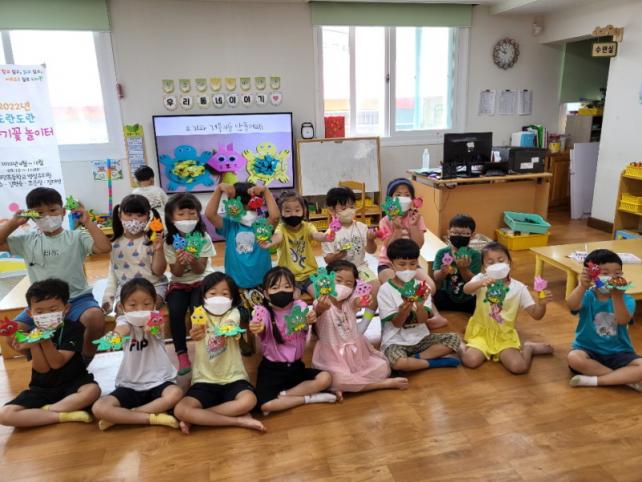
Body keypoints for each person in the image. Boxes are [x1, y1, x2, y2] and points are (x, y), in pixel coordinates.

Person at [0, 187, 111, 361]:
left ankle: (84, 361)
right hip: (41, 305)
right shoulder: (27, 241)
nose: (47, 216)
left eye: (53, 210)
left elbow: (104, 247)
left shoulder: (76, 237)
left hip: (77, 299)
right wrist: (14, 223)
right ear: (31, 216)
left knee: (95, 318)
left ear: (63, 211)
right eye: (39, 213)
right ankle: (43, 362)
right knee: (11, 332)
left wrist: (88, 222)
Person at [0, 279, 101, 428]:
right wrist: (34, 343)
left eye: (53, 310)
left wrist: (43, 340)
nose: (46, 315)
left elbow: (57, 363)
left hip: (74, 383)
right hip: (42, 389)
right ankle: (63, 415)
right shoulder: (30, 334)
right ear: (30, 313)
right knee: (5, 415)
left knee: (92, 391)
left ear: (66, 309)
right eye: (39, 312)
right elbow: (42, 369)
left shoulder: (74, 328)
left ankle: (44, 413)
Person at [174, 272, 264, 433]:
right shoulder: (199, 314)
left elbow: (230, 323)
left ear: (232, 298)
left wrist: (228, 329)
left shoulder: (233, 313)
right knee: (180, 409)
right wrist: (195, 332)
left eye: (224, 294)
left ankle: (198, 417)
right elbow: (196, 328)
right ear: (204, 296)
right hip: (204, 379)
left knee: (249, 401)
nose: (218, 298)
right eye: (212, 293)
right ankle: (238, 420)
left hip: (234, 377)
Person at [92, 278, 183, 430]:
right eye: (132, 305)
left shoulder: (157, 318)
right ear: (122, 307)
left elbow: (154, 328)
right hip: (130, 384)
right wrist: (114, 337)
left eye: (146, 304)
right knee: (99, 408)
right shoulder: (123, 321)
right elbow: (122, 330)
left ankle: (126, 416)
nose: (140, 309)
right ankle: (152, 417)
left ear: (154, 305)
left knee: (176, 394)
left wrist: (151, 326)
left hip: (159, 381)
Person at [249, 267, 337, 415]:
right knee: (264, 406)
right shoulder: (263, 311)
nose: (281, 291)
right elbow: (259, 320)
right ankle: (309, 398)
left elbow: (308, 313)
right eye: (275, 287)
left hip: (296, 367)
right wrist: (257, 325)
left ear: (294, 290)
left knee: (326, 378)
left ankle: (284, 397)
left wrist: (312, 316)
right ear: (266, 293)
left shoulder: (299, 306)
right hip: (272, 369)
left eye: (286, 286)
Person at [313, 260, 408, 395]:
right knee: (337, 379)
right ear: (327, 280)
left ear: (353, 287)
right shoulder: (322, 303)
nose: (343, 286)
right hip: (333, 357)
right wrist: (320, 308)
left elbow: (357, 301)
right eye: (338, 280)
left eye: (349, 283)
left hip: (358, 354)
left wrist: (363, 300)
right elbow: (317, 310)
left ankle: (350, 386)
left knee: (382, 367)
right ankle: (381, 384)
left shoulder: (349, 301)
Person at [460, 242, 553, 373]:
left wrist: (542, 304)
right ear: (484, 267)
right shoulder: (481, 278)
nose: (496, 265)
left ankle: (529, 348)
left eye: (501, 260)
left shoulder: (519, 288)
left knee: (519, 367)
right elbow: (466, 289)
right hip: (482, 334)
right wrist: (481, 283)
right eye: (490, 262)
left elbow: (536, 314)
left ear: (509, 262)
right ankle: (458, 344)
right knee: (470, 360)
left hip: (504, 336)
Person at [377, 239, 461, 372]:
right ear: (392, 265)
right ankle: (432, 363)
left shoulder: (422, 287)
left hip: (421, 338)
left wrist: (420, 305)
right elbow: (397, 324)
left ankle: (416, 359)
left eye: (412, 264)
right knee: (398, 363)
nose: (407, 269)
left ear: (417, 263)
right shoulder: (385, 290)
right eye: (402, 264)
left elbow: (422, 321)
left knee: (454, 339)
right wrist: (404, 311)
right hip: (395, 341)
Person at [566, 249, 642, 390]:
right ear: (592, 275)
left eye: (617, 273)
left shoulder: (627, 300)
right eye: (605, 274)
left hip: (620, 352)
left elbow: (622, 320)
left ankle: (594, 381)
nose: (612, 277)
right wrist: (582, 286)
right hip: (588, 351)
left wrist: (617, 296)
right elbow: (571, 304)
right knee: (574, 358)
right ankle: (624, 379)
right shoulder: (588, 296)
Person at [164, 193, 216, 375]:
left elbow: (200, 270)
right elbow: (176, 273)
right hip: (179, 283)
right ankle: (182, 355)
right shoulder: (169, 242)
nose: (187, 218)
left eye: (192, 213)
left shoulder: (203, 237)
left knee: (198, 310)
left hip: (202, 280)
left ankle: (204, 351)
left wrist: (192, 259)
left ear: (198, 216)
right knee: (176, 311)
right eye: (181, 214)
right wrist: (180, 261)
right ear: (171, 218)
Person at [205, 181, 279, 307]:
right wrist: (219, 190)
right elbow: (210, 214)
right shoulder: (230, 225)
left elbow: (275, 217)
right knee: (238, 316)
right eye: (241, 206)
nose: (246, 210)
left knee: (264, 315)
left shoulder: (262, 225)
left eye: (251, 206)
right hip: (236, 286)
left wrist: (265, 191)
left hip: (262, 284)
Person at [322, 186, 379, 328]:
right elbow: (327, 259)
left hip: (360, 267)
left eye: (352, 207)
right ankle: (344, 322)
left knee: (376, 287)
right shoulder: (330, 233)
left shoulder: (362, 227)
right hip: (339, 272)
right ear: (332, 210)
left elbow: (371, 250)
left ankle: (364, 324)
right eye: (343, 208)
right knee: (341, 292)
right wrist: (337, 256)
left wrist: (371, 240)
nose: (349, 211)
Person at [102, 194, 168, 314]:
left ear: (148, 216)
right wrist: (108, 298)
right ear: (119, 215)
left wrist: (159, 250)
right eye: (129, 215)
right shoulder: (114, 244)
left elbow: (159, 272)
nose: (134, 219)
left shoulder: (153, 240)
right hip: (126, 288)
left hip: (154, 286)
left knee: (148, 308)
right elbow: (113, 274)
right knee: (122, 311)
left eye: (139, 215)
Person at [262, 191, 329, 297]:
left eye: (297, 210)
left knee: (320, 296)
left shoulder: (308, 226)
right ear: (281, 212)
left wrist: (325, 236)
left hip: (310, 275)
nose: (293, 214)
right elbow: (278, 237)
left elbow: (316, 235)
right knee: (292, 299)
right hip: (289, 277)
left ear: (304, 211)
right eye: (288, 211)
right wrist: (269, 242)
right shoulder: (281, 228)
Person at [377, 178, 427, 284]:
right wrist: (398, 229)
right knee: (394, 287)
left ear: (413, 199)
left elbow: (418, 245)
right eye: (398, 195)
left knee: (430, 287)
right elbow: (389, 248)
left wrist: (413, 226)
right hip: (388, 263)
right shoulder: (385, 221)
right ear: (390, 199)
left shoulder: (417, 218)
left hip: (411, 263)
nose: (402, 198)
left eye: (407, 195)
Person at [433, 214, 482, 314]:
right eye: (455, 232)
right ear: (448, 233)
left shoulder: (475, 255)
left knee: (484, 305)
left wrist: (464, 269)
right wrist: (443, 272)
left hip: (469, 298)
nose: (459, 236)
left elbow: (473, 282)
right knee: (429, 300)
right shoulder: (442, 253)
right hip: (447, 295)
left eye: (464, 234)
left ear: (472, 235)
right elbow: (436, 278)